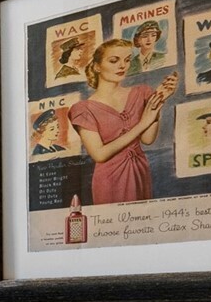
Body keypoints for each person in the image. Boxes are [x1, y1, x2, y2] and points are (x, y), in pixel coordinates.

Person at [69, 38, 179, 205]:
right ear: (97, 66)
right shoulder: (83, 109)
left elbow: (148, 140)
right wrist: (143, 123)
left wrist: (158, 102)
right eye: (114, 60)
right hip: (109, 178)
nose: (122, 66)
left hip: (139, 170)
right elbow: (99, 154)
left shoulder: (142, 92)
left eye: (127, 60)